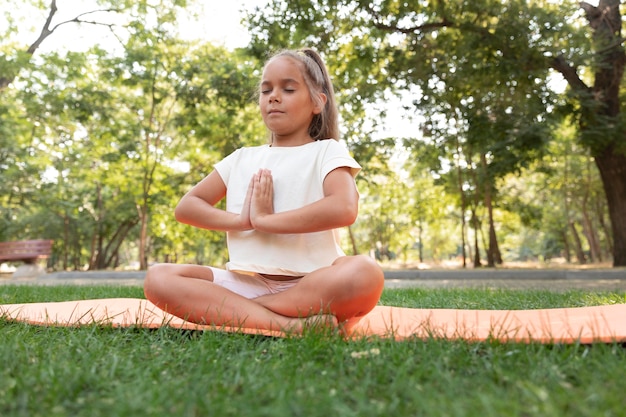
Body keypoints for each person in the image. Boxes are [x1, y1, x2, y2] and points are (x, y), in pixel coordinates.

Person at [144, 48, 384, 333]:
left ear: (318, 102)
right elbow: (187, 207)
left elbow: (344, 208)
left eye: (289, 88)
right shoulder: (241, 158)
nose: (273, 96)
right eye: (266, 89)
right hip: (247, 284)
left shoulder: (327, 152)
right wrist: (242, 220)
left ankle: (246, 311)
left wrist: (266, 222)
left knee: (365, 273)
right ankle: (288, 325)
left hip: (312, 284)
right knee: (158, 278)